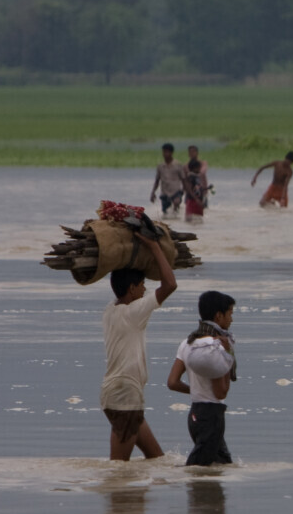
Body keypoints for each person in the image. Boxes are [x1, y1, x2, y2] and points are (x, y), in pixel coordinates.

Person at [100, 233, 178, 461]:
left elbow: (121, 283)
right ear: (132, 289)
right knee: (118, 468)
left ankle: (138, 495)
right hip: (125, 393)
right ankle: (124, 497)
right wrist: (154, 247)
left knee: (156, 458)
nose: (145, 290)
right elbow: (170, 284)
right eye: (143, 285)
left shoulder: (110, 310)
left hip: (119, 392)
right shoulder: (134, 312)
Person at [167, 290, 237, 466]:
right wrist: (228, 355)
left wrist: (196, 390)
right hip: (212, 416)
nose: (231, 319)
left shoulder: (188, 343)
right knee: (198, 470)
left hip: (195, 415)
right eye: (230, 314)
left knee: (222, 465)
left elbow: (173, 382)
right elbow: (221, 392)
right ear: (219, 316)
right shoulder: (215, 347)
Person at [150, 144, 188, 217]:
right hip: (165, 192)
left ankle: (177, 219)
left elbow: (183, 179)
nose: (165, 154)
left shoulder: (178, 165)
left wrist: (184, 191)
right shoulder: (160, 166)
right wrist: (153, 192)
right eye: (164, 152)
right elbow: (157, 180)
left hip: (176, 191)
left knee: (176, 203)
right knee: (165, 212)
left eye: (167, 152)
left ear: (171, 153)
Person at [184, 158, 208, 223]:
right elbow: (189, 189)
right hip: (193, 201)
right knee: (192, 219)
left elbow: (198, 188)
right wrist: (196, 199)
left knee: (198, 219)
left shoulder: (197, 177)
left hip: (198, 201)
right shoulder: (191, 177)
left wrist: (206, 189)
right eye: (198, 168)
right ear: (194, 168)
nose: (200, 169)